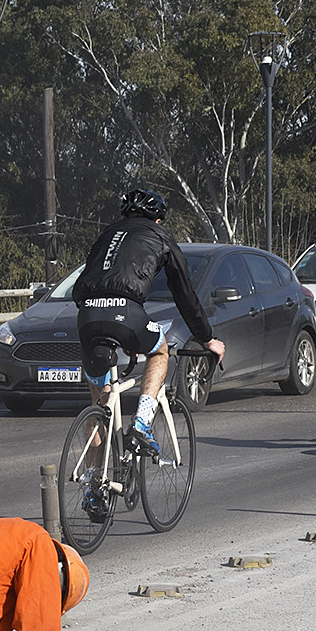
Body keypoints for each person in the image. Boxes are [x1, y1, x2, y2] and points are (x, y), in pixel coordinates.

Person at [73, 189, 226, 455]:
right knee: (159, 350)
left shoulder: (106, 235)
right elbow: (184, 294)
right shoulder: (161, 236)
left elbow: (79, 286)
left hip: (87, 317)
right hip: (127, 313)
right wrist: (207, 337)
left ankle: (93, 489)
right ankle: (142, 422)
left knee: (100, 404)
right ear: (158, 220)